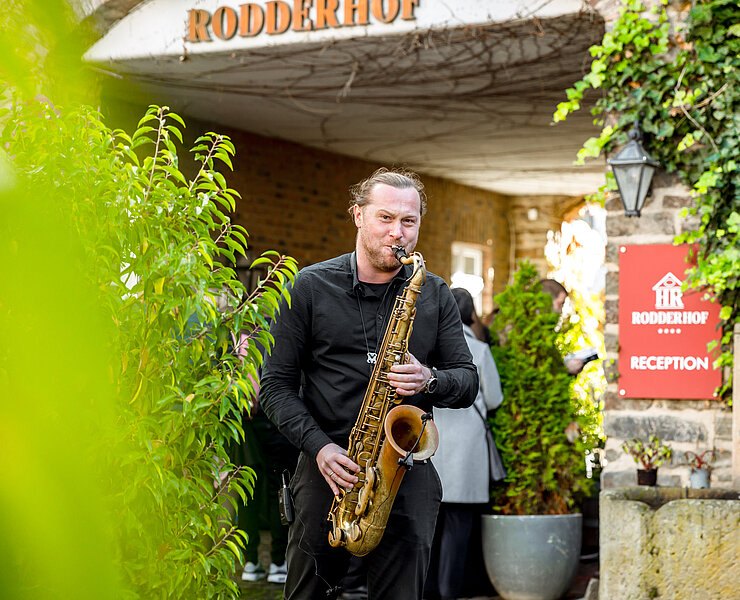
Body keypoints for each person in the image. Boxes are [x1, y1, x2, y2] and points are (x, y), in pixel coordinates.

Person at [259, 168, 479, 600]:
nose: (398, 233)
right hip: (328, 468)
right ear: (358, 215)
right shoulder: (309, 287)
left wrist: (429, 378)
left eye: (409, 221)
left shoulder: (434, 293)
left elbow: (467, 381)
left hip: (405, 469)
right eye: (386, 218)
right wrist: (320, 448)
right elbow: (275, 387)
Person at [425, 288, 504, 600]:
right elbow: (494, 399)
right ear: (471, 314)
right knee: (459, 524)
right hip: (468, 446)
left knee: (428, 522)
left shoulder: (427, 348)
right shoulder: (480, 350)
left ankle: (426, 590)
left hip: (431, 440)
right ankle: (450, 592)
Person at [540, 278, 586, 376]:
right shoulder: (522, 329)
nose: (560, 311)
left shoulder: (545, 334)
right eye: (560, 304)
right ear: (548, 301)